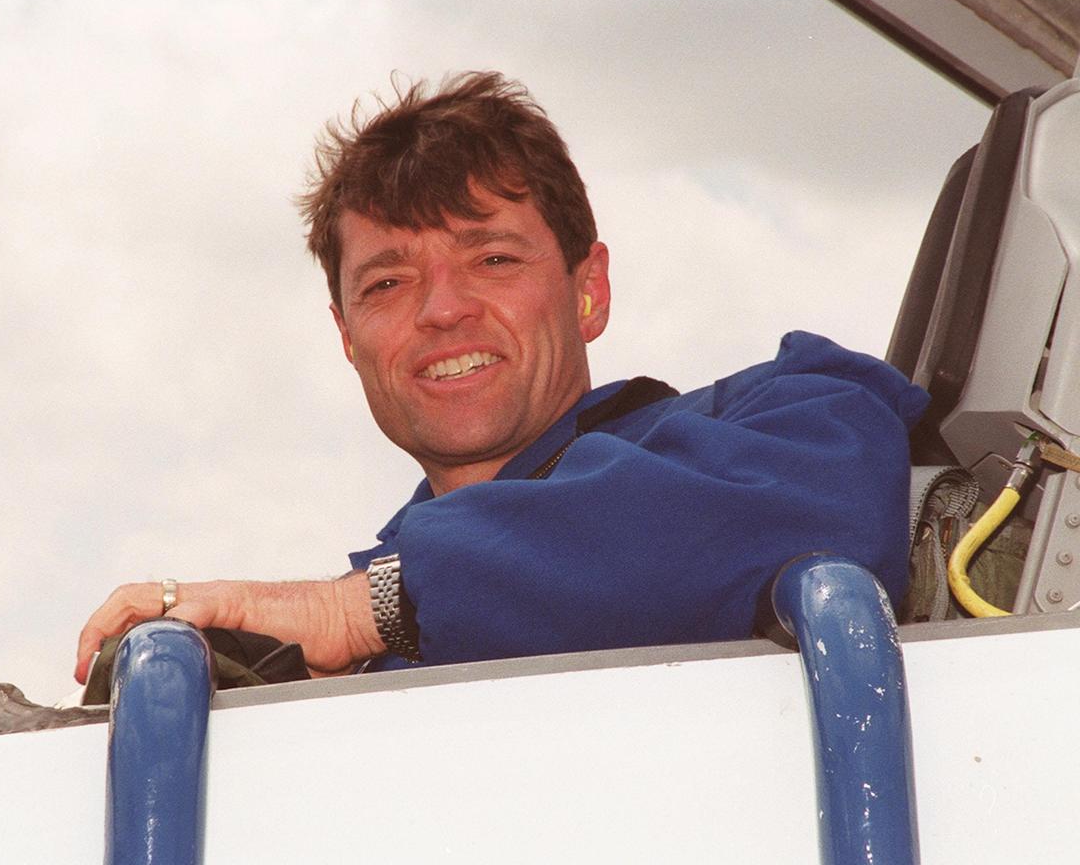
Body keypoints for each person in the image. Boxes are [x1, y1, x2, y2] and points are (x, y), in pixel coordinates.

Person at [74, 72, 927, 683]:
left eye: (492, 258)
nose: (442, 310)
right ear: (347, 337)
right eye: (387, 283)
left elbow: (840, 503)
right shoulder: (343, 650)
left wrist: (365, 608)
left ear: (588, 290)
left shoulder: (792, 419)